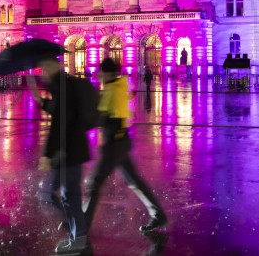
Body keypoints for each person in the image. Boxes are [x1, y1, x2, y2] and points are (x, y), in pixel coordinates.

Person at [84, 58, 167, 235]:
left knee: (95, 182)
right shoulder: (121, 85)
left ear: (107, 73)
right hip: (122, 141)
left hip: (114, 144)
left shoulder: (111, 90)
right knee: (134, 180)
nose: (99, 77)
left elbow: (100, 116)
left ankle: (81, 225)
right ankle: (157, 214)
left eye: (101, 73)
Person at [33, 55, 98, 255]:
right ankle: (76, 229)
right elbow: (63, 113)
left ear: (52, 67)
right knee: (58, 194)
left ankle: (78, 238)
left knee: (69, 196)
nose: (42, 73)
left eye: (44, 68)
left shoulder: (62, 87)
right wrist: (43, 102)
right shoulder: (64, 85)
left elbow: (60, 124)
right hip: (71, 149)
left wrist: (47, 155)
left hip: (69, 150)